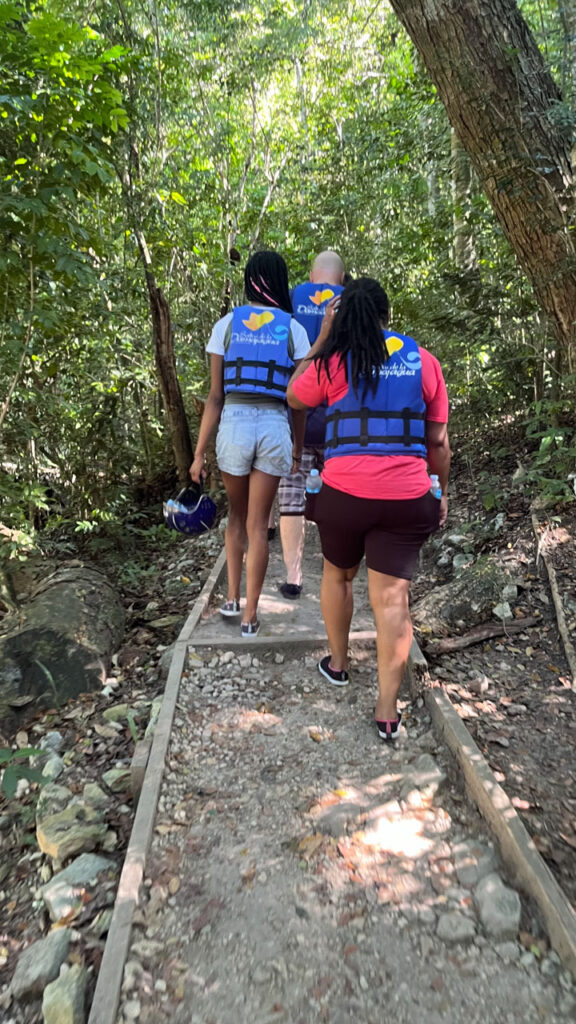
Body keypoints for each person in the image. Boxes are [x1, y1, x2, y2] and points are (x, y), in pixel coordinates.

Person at [287, 277, 450, 741]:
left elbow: (294, 395)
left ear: (344, 317)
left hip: (343, 498)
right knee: (392, 599)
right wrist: (439, 492)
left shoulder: (334, 361)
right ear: (387, 316)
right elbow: (438, 443)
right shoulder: (424, 361)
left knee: (338, 575)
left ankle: (338, 665)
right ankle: (386, 711)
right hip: (407, 499)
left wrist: (323, 337)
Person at [190, 251, 309, 637]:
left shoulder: (226, 325)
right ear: (279, 281)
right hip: (274, 425)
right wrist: (296, 448)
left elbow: (214, 397)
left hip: (234, 426)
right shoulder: (293, 330)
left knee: (236, 518)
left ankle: (230, 597)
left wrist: (198, 453)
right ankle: (250, 617)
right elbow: (300, 401)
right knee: (260, 526)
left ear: (249, 281)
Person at [277, 251, 345, 598]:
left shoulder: (291, 299)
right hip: (341, 427)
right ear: (342, 279)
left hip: (297, 418)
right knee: (342, 498)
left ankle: (294, 577)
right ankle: (338, 569)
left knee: (292, 496)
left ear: (311, 275)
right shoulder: (352, 304)